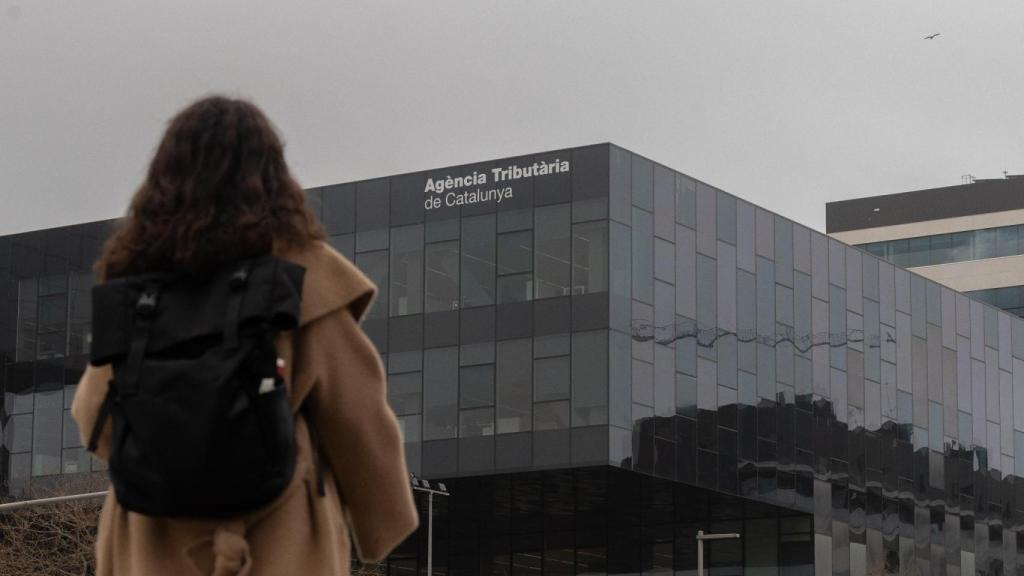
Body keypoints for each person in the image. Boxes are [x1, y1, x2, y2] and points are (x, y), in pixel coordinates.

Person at [71, 95, 418, 575]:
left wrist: (171, 453)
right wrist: (380, 528)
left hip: (153, 541)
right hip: (276, 539)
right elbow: (359, 419)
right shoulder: (302, 282)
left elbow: (93, 413)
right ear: (272, 180)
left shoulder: (138, 295)